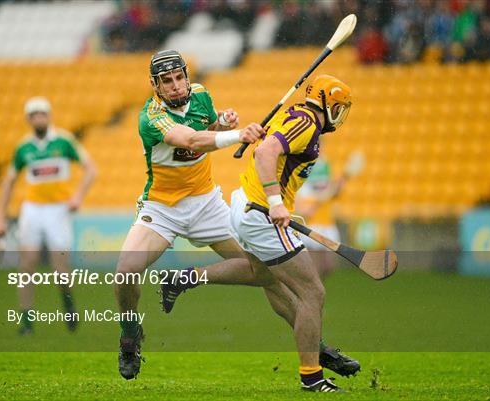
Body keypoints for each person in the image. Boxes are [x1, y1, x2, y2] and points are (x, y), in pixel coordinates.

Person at [162, 75, 358, 392]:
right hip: (262, 213)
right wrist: (276, 202)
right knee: (313, 292)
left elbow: (264, 149)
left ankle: (186, 277)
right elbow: (265, 152)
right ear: (325, 102)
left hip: (247, 204)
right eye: (338, 107)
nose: (340, 114)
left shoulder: (296, 116)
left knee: (263, 275)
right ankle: (312, 375)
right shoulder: (306, 122)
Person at [114, 49, 264, 380]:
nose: (176, 86)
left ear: (186, 75)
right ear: (155, 85)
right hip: (162, 207)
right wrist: (237, 135)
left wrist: (221, 122)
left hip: (207, 203)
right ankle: (129, 335)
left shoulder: (201, 95)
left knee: (262, 271)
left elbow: (205, 127)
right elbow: (191, 139)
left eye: (179, 77)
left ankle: (316, 348)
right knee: (125, 271)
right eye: (166, 81)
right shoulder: (150, 117)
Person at [0, 96, 97, 335]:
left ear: (48, 116)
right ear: (29, 119)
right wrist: (0, 216)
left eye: (42, 114)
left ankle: (69, 305)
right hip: (32, 209)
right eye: (34, 115)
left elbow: (90, 168)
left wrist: (78, 197)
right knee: (27, 265)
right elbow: (8, 182)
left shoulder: (63, 141)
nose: (38, 118)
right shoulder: (23, 148)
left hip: (58, 210)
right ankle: (26, 320)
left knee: (60, 269)